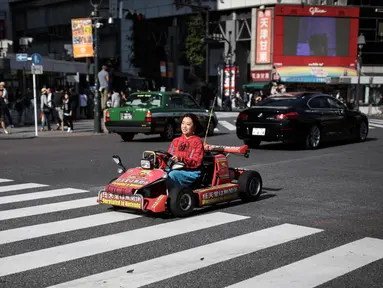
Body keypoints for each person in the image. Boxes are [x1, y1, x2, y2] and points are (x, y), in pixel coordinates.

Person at [167, 113, 204, 188]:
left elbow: (196, 162)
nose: (184, 126)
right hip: (174, 168)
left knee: (172, 175)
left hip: (190, 172)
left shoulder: (197, 141)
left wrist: (180, 159)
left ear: (194, 127)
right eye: (183, 123)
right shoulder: (176, 140)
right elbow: (168, 157)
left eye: (188, 124)